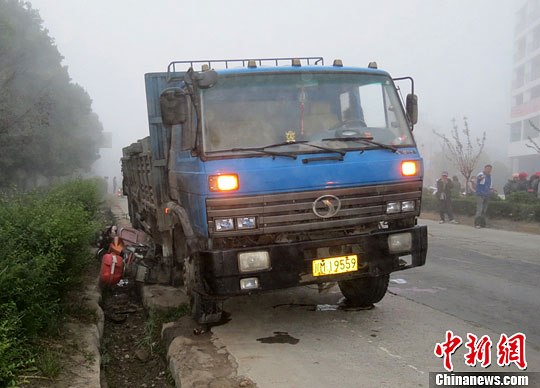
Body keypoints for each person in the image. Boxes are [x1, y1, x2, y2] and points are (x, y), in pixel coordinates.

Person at [475, 164, 492, 229]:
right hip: (480, 194)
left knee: (484, 210)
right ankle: (477, 224)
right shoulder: (481, 174)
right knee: (479, 209)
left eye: (490, 169)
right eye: (487, 169)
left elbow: (488, 185)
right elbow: (479, 178)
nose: (489, 170)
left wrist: (491, 189)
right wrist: (481, 177)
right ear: (485, 168)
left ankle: (482, 224)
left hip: (487, 194)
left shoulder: (489, 176)